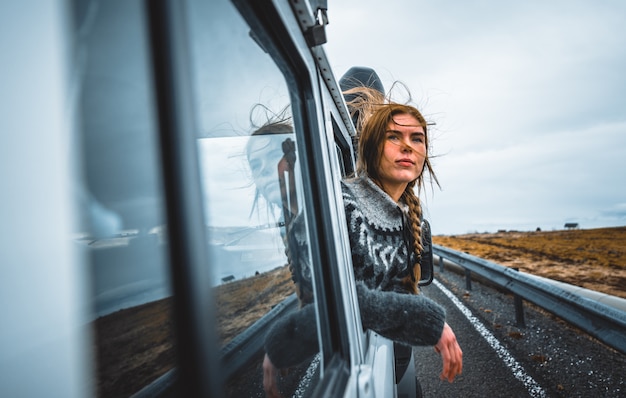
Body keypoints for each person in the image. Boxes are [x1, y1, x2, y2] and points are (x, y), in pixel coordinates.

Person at [262, 75, 463, 398]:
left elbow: (370, 287)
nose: (406, 147)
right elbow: (342, 297)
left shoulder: (397, 210)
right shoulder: (346, 205)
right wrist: (428, 321)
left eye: (417, 138)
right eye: (391, 136)